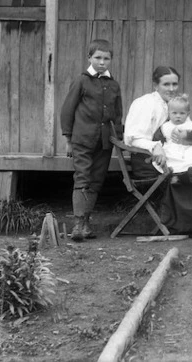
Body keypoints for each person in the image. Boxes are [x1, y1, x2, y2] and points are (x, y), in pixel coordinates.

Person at [124, 66, 192, 236]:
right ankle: (189, 225)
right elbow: (132, 138)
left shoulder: (177, 104)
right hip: (145, 157)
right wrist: (155, 146)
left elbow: (191, 128)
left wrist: (188, 138)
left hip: (172, 152)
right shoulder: (144, 103)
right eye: (166, 84)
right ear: (155, 85)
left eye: (174, 84)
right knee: (185, 174)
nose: (171, 88)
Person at [61, 39, 123, 242]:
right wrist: (69, 139)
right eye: (98, 57)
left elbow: (117, 114)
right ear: (89, 58)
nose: (102, 62)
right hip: (82, 139)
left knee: (96, 180)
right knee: (82, 177)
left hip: (104, 142)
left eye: (106, 58)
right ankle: (78, 223)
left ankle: (86, 224)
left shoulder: (113, 85)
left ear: (111, 60)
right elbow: (68, 110)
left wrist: (118, 137)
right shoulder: (82, 81)